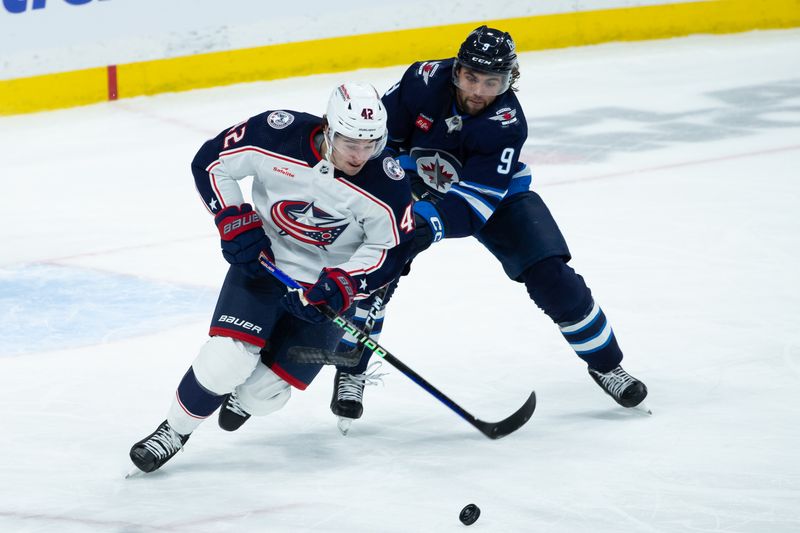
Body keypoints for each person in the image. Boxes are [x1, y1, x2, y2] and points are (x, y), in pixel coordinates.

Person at [329, 26, 649, 432]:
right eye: (471, 77)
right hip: (410, 188)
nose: (479, 90)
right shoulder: (421, 80)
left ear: (509, 80)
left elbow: (476, 203)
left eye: (492, 82)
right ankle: (351, 368)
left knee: (551, 274)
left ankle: (607, 366)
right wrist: (397, 191)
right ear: (456, 70)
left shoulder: (507, 123)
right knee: (376, 273)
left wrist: (429, 223)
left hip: (496, 198)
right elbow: (378, 142)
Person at [128, 82, 413, 473]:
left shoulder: (388, 182)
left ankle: (243, 400)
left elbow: (389, 250)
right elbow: (212, 161)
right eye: (350, 142)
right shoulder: (276, 134)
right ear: (329, 127)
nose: (360, 155)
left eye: (370, 144)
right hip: (264, 265)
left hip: (324, 292)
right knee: (226, 359)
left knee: (265, 395)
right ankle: (173, 432)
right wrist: (232, 219)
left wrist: (342, 284)